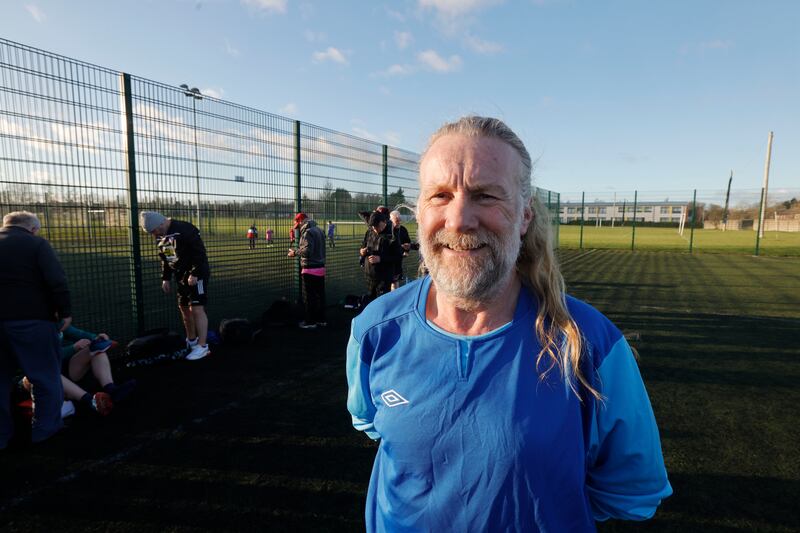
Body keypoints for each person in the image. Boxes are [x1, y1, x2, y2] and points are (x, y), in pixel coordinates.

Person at [346, 116, 672, 531]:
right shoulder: (374, 330)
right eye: (440, 196)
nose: (459, 218)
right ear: (419, 211)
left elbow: (631, 491)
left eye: (485, 196)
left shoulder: (590, 343)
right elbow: (370, 422)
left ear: (524, 216)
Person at [0, 211, 70, 449]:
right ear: (31, 228)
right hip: (32, 320)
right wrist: (64, 311)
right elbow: (56, 281)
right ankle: (45, 430)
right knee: (46, 376)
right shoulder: (36, 244)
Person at [140, 211, 211, 361]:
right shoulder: (161, 236)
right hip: (181, 276)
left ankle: (203, 346)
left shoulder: (185, 229)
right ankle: (191, 341)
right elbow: (168, 258)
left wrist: (195, 273)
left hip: (197, 274)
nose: (154, 235)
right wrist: (166, 278)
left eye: (154, 231)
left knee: (196, 308)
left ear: (160, 223)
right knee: (184, 308)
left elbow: (200, 253)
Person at [287, 212, 327, 329]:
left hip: (310, 268)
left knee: (309, 297)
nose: (297, 228)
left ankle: (310, 321)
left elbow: (307, 251)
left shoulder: (307, 232)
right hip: (320, 267)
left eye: (297, 225)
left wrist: (294, 252)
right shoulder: (319, 230)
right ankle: (321, 319)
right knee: (320, 295)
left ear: (301, 221)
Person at [359, 212, 398, 303]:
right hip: (370, 275)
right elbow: (362, 245)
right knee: (371, 301)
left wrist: (381, 258)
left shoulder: (392, 235)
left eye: (376, 226)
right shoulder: (370, 232)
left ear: (383, 222)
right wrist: (362, 251)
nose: (374, 229)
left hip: (384, 278)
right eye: (372, 226)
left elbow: (397, 256)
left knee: (382, 303)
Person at [389, 210, 411, 290]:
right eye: (396, 220)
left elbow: (407, 241)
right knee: (388, 282)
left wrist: (406, 250)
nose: (399, 222)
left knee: (395, 281)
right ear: (391, 220)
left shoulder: (403, 230)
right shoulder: (388, 231)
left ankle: (394, 297)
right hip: (388, 260)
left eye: (399, 220)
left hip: (398, 259)